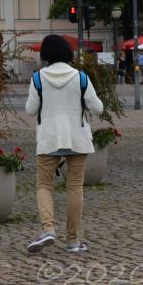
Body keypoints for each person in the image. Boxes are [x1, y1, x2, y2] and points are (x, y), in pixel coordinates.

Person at [25, 34, 104, 255]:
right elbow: (97, 108)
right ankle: (73, 241)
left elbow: (31, 110)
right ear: (68, 53)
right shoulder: (81, 78)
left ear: (45, 55)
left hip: (49, 138)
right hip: (77, 138)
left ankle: (48, 228)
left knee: (44, 186)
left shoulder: (38, 78)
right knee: (74, 188)